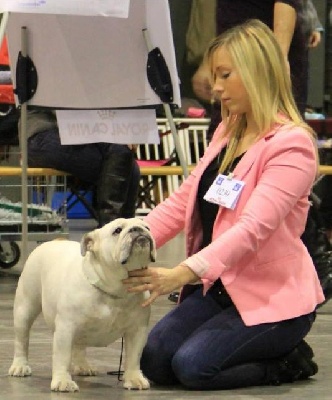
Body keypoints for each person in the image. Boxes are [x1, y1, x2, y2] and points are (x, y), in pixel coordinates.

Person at [123, 20, 324, 390]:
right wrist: (126, 237)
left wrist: (181, 272)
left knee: (193, 368)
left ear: (257, 72)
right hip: (221, 289)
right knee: (153, 361)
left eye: (225, 75)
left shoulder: (293, 145)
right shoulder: (228, 128)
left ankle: (289, 361)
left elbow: (252, 230)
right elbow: (185, 198)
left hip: (274, 299)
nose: (215, 88)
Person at [23, 109, 140, 226]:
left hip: (79, 131)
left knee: (127, 164)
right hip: (43, 134)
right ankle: (112, 230)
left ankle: (119, 233)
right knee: (126, 165)